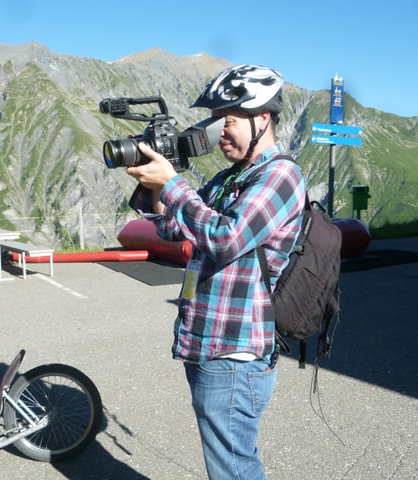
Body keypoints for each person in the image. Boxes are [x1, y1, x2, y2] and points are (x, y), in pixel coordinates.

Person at [127, 65, 306, 479]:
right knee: (230, 464)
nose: (217, 131)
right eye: (214, 121)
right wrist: (154, 184)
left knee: (233, 470)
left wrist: (172, 183)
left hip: (234, 352)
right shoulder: (231, 178)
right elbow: (175, 226)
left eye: (228, 120)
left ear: (263, 118)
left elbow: (226, 237)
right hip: (210, 343)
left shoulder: (280, 175)